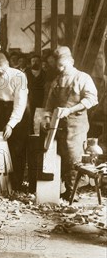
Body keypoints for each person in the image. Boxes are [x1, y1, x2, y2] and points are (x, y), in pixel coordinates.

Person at [44, 46, 98, 200]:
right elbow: (49, 104)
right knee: (60, 155)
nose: (60, 69)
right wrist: (47, 117)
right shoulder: (56, 81)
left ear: (72, 62)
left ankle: (74, 191)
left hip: (77, 124)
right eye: (58, 66)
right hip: (59, 125)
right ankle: (64, 188)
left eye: (63, 65)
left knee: (74, 156)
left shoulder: (83, 78)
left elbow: (91, 99)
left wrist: (70, 110)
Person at [0, 52, 29, 191]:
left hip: (18, 112)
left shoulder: (19, 76)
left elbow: (20, 104)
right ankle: (0, 183)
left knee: (16, 148)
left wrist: (11, 124)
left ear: (8, 64)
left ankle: (16, 184)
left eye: (2, 68)